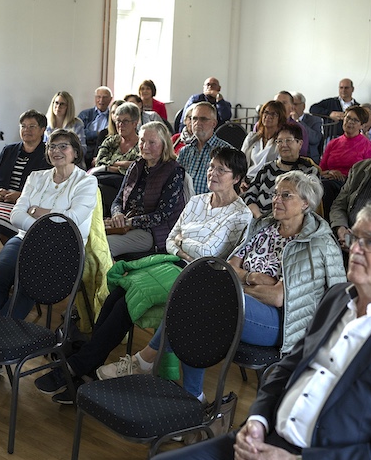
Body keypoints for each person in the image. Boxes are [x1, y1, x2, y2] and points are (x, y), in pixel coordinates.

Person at [143, 201, 371, 460]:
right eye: (354, 238)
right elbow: (287, 366)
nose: (355, 249)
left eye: (370, 242)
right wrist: (258, 421)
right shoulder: (338, 298)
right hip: (273, 439)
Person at [99, 171, 345, 402]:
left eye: (286, 195)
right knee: (198, 304)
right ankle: (192, 397)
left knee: (204, 299)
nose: (276, 200)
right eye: (275, 194)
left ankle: (147, 363)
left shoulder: (315, 243)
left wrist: (236, 286)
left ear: (305, 203)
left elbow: (278, 297)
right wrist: (253, 278)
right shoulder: (264, 228)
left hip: (281, 323)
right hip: (236, 303)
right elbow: (230, 268)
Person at [34, 146, 253, 403]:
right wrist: (184, 249)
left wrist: (185, 247)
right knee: (118, 293)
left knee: (129, 300)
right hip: (170, 262)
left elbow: (213, 256)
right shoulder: (197, 201)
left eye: (221, 170)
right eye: (211, 167)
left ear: (237, 178)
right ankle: (88, 368)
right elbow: (171, 238)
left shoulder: (241, 215)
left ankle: (78, 367)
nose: (212, 173)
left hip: (198, 278)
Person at [0, 129, 98, 377]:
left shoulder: (87, 182)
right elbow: (16, 215)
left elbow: (72, 220)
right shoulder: (36, 177)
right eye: (52, 146)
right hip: (25, 238)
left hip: (63, 246)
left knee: (27, 283)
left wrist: (36, 211)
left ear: (75, 152)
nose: (56, 151)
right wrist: (47, 216)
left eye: (63, 146)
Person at [0, 110, 50, 278]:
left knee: (6, 226)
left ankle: (13, 275)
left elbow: (47, 187)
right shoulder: (9, 150)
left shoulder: (47, 154)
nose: (26, 130)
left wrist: (21, 195)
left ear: (42, 129)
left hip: (27, 205)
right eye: (23, 126)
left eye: (32, 126)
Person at [105, 121, 186, 257]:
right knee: (88, 238)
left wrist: (130, 222)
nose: (145, 146)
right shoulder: (136, 166)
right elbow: (118, 200)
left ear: (164, 145)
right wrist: (117, 214)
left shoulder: (173, 171)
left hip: (154, 232)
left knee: (104, 246)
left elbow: (163, 215)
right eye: (142, 141)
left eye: (152, 142)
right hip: (126, 226)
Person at [244, 123, 320, 218]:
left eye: (288, 140)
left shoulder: (308, 172)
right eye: (279, 141)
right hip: (258, 218)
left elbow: (310, 205)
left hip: (290, 222)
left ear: (300, 144)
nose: (283, 145)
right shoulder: (267, 168)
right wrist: (259, 217)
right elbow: (249, 195)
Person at [318, 106, 371, 214]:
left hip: (352, 184)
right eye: (348, 118)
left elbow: (370, 173)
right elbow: (321, 169)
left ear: (362, 125)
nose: (350, 122)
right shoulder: (333, 143)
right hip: (329, 180)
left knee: (325, 186)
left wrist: (345, 176)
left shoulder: (368, 145)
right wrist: (330, 172)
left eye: (355, 120)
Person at [91, 102, 141, 216]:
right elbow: (99, 162)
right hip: (105, 179)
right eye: (118, 121)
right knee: (93, 188)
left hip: (128, 187)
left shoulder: (141, 144)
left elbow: (138, 167)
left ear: (135, 123)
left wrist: (111, 167)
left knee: (97, 190)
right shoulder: (111, 141)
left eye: (125, 121)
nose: (120, 125)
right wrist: (123, 165)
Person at [177, 102, 231, 195]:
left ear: (214, 123)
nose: (197, 123)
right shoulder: (184, 152)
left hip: (211, 203)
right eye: (194, 118)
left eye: (203, 119)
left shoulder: (226, 151)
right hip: (184, 203)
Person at [241, 100, 287, 182]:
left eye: (273, 114)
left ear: (280, 118)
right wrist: (242, 181)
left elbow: (281, 170)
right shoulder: (251, 138)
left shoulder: (282, 143)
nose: (268, 116)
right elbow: (240, 162)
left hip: (267, 182)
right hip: (246, 179)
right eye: (266, 112)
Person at [78, 86, 113, 164]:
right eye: (98, 97)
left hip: (104, 149)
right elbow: (79, 132)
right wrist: (97, 133)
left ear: (110, 99)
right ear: (95, 98)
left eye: (105, 97)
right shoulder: (85, 114)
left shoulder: (112, 116)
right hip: (86, 148)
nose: (101, 100)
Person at [291, 92, 323, 163]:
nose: (292, 107)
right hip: (290, 157)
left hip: (309, 158)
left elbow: (315, 139)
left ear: (303, 106)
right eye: (291, 104)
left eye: (295, 104)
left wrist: (298, 121)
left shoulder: (315, 120)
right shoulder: (286, 120)